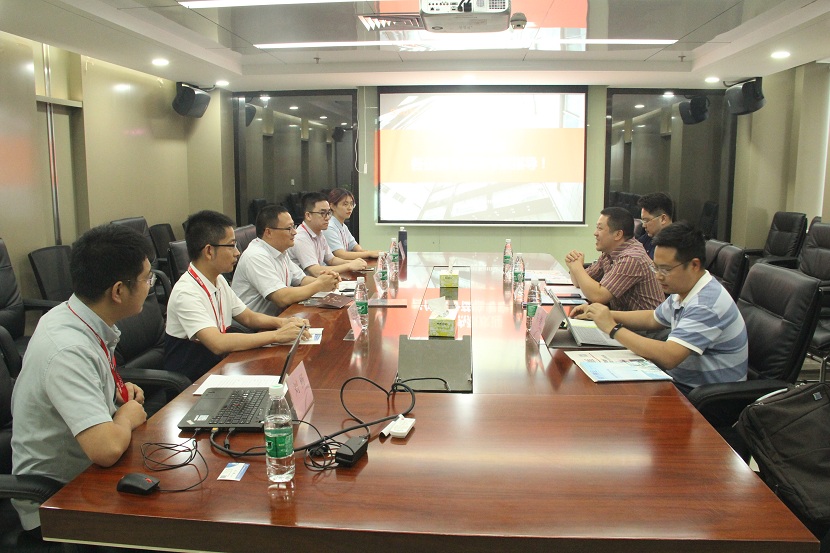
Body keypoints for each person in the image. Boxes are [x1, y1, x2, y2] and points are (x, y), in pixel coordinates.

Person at [11, 224, 152, 532]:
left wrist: (112, 392)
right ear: (118, 291)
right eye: (146, 278)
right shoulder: (68, 349)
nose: (150, 285)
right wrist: (125, 416)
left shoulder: (77, 317)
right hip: (56, 499)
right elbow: (106, 449)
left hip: (87, 474)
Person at [570, 222, 748, 394]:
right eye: (656, 268)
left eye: (665, 270)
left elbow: (669, 357)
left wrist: (613, 328)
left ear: (694, 265)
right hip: (678, 381)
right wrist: (603, 314)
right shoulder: (686, 289)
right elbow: (653, 318)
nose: (658, 277)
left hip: (699, 396)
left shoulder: (706, 303)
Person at [165, 210, 310, 381]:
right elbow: (218, 343)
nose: (237, 252)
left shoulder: (218, 279)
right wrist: (277, 335)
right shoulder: (186, 292)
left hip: (221, 368)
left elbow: (248, 317)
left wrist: (284, 323)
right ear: (209, 251)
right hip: (194, 381)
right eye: (231, 245)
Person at [232, 204, 340, 316]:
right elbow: (281, 298)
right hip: (255, 325)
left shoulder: (280, 250)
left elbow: (301, 279)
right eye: (289, 228)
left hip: (279, 316)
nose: (294, 232)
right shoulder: (256, 256)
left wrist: (328, 281)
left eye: (294, 226)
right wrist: (319, 285)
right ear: (268, 232)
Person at [564, 206, 664, 311]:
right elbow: (579, 283)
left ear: (618, 234)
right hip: (621, 318)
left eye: (600, 228)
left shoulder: (631, 258)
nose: (595, 233)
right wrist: (574, 265)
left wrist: (577, 268)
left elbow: (598, 296)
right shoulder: (609, 253)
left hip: (642, 321)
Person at [289, 192, 368, 276]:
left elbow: (331, 260)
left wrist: (352, 262)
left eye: (328, 213)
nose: (327, 218)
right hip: (306, 282)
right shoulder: (301, 238)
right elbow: (316, 271)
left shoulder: (319, 233)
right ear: (308, 216)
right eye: (322, 213)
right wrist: (349, 266)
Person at [324, 188, 380, 260]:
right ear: (332, 206)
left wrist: (371, 253)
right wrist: (369, 253)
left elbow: (355, 246)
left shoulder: (343, 226)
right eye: (345, 204)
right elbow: (341, 255)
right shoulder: (329, 227)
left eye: (351, 204)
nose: (350, 208)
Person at [637, 192, 674, 259]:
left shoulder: (675, 246)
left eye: (646, 220)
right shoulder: (646, 237)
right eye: (643, 220)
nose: (643, 225)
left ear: (663, 219)